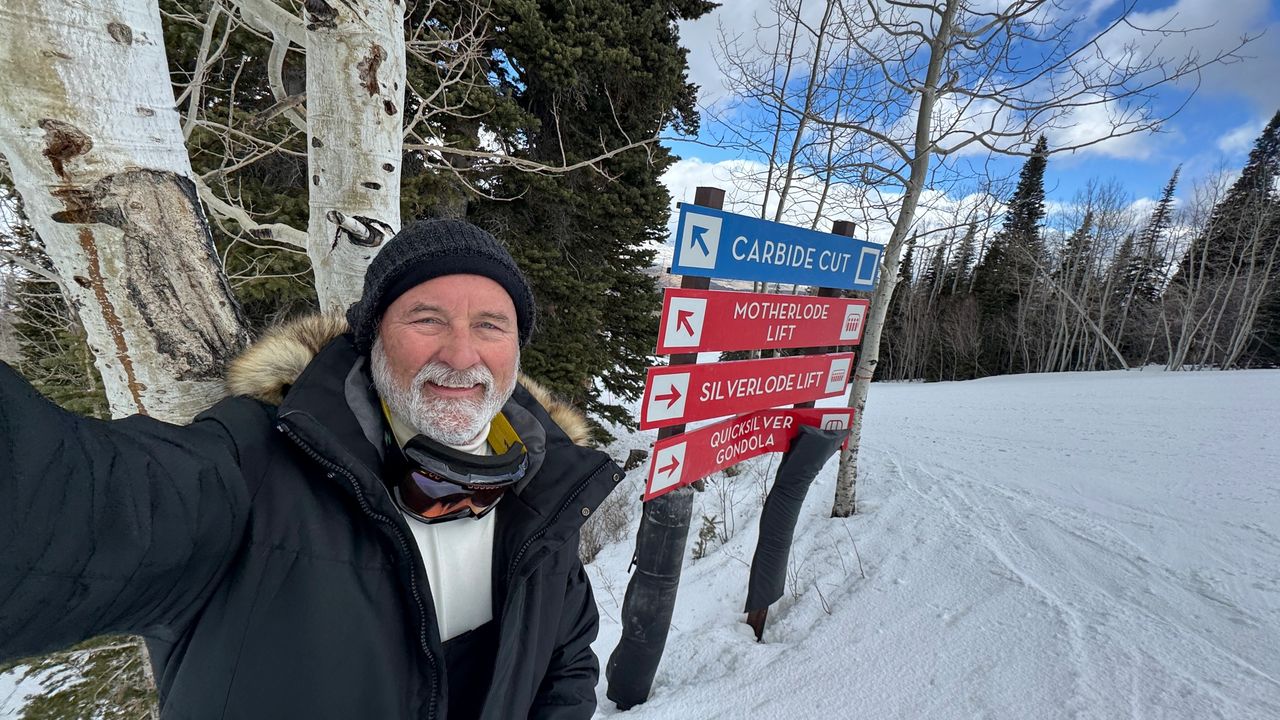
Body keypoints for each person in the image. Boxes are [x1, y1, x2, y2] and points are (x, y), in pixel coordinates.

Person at [0, 218, 624, 719]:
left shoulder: (542, 485)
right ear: (373, 338)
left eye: (490, 325)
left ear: (516, 348)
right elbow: (76, 501)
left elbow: (565, 656)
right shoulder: (250, 464)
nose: (462, 355)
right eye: (427, 319)